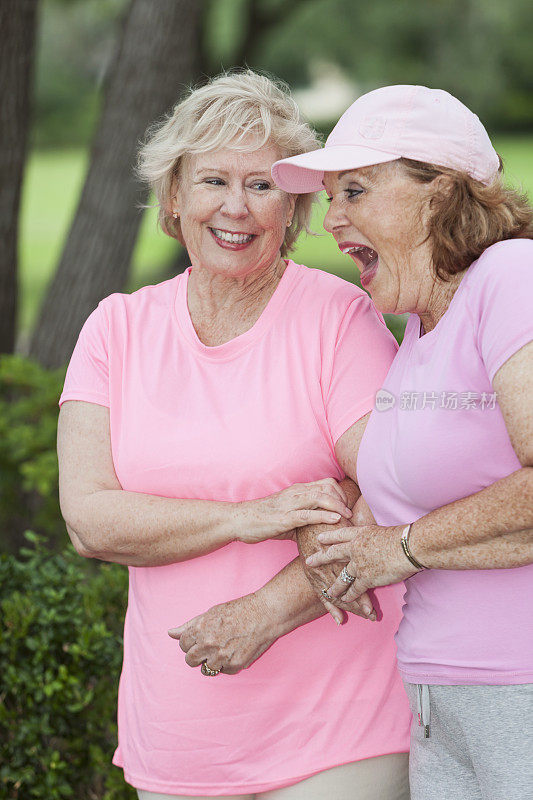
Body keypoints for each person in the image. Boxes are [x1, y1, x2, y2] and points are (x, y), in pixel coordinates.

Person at [57, 71, 411, 800]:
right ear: (174, 195)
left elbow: (394, 480)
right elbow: (90, 518)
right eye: (213, 179)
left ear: (293, 207)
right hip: (179, 727)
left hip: (338, 726)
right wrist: (247, 518)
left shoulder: (335, 318)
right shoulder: (116, 329)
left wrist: (263, 612)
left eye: (262, 186)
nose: (235, 208)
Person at [272, 83, 533, 800]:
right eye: (331, 197)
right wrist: (344, 543)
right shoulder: (418, 327)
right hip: (434, 695)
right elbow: (427, 489)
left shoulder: (512, 278)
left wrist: (399, 548)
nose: (332, 221)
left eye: (354, 191)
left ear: (438, 192)